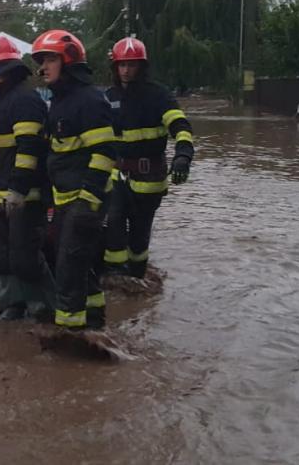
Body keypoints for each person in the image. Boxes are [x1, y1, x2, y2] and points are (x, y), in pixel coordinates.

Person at [32, 30, 116, 330]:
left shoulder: (89, 100)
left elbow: (105, 153)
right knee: (74, 261)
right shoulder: (60, 101)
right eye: (41, 60)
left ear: (68, 61)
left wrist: (88, 201)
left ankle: (70, 333)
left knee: (68, 265)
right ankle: (93, 317)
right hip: (67, 199)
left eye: (50, 59)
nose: (43, 67)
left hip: (85, 200)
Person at [103, 36, 194, 278]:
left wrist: (183, 156)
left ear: (141, 67)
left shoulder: (159, 96)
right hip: (116, 174)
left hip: (149, 177)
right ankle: (115, 278)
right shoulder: (108, 96)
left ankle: (137, 276)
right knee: (113, 223)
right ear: (115, 67)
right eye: (121, 65)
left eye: (131, 65)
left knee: (139, 234)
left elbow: (180, 126)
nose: (126, 70)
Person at [0, 36, 55, 321]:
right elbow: (0, 152)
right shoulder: (4, 101)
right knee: (2, 256)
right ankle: (13, 305)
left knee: (25, 258)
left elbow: (29, 149)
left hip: (24, 197)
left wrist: (18, 189)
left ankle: (46, 309)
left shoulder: (24, 100)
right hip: (2, 194)